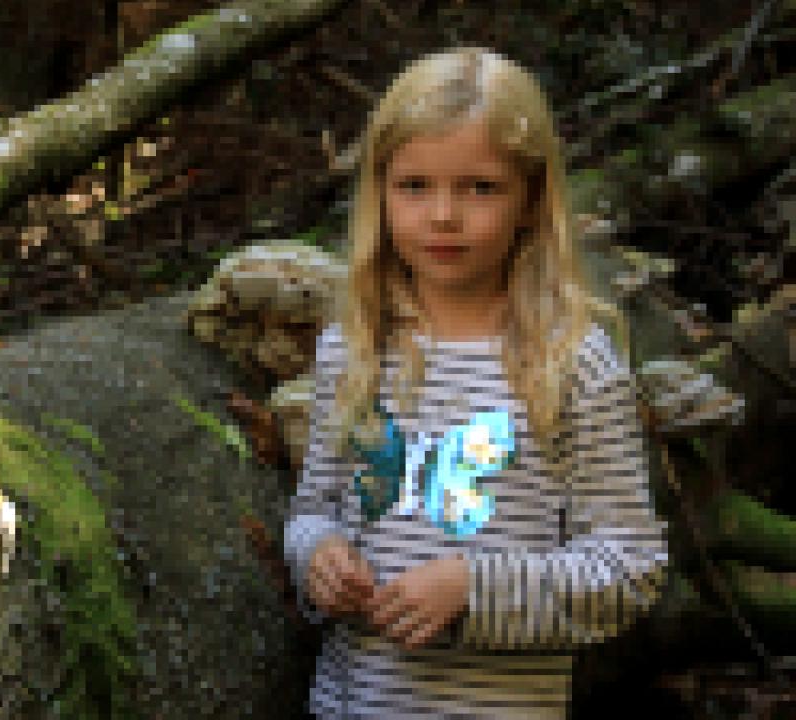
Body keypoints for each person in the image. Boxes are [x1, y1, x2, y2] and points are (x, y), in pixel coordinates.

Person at [283, 47, 671, 719]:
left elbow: (630, 568)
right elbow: (314, 506)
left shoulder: (572, 362)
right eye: (414, 186)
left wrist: (474, 588)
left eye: (480, 187)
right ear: (380, 193)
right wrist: (317, 554)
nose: (443, 215)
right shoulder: (354, 347)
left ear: (530, 200)